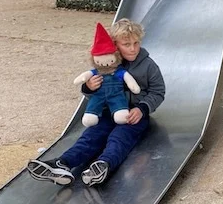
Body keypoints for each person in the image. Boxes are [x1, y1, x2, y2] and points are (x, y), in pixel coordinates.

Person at [27, 19, 166, 187]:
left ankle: (103, 165)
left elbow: (158, 91)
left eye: (136, 43)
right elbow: (97, 93)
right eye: (126, 44)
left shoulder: (148, 65)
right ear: (115, 45)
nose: (132, 48)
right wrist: (89, 88)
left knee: (119, 137)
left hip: (132, 115)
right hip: (107, 111)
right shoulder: (106, 63)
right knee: (91, 135)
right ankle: (62, 163)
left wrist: (142, 108)